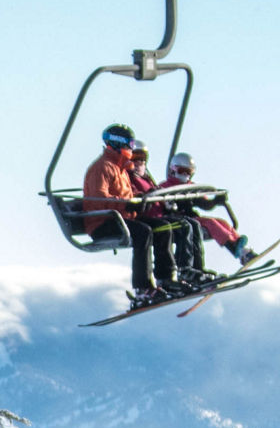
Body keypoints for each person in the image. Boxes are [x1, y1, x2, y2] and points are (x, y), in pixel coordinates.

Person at [82, 124, 202, 305]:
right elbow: (98, 199)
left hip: (119, 218)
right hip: (101, 221)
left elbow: (125, 195)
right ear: (117, 143)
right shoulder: (103, 167)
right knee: (143, 232)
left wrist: (139, 200)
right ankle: (142, 287)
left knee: (163, 227)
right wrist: (127, 205)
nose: (131, 148)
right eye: (129, 143)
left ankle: (165, 278)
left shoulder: (120, 168)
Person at [159, 152, 259, 267]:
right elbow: (159, 204)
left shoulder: (191, 187)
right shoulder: (166, 186)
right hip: (177, 220)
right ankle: (238, 251)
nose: (185, 175)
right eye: (182, 171)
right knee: (211, 223)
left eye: (189, 172)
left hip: (191, 218)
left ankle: (242, 250)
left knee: (222, 222)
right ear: (173, 170)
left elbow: (205, 204)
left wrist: (216, 201)